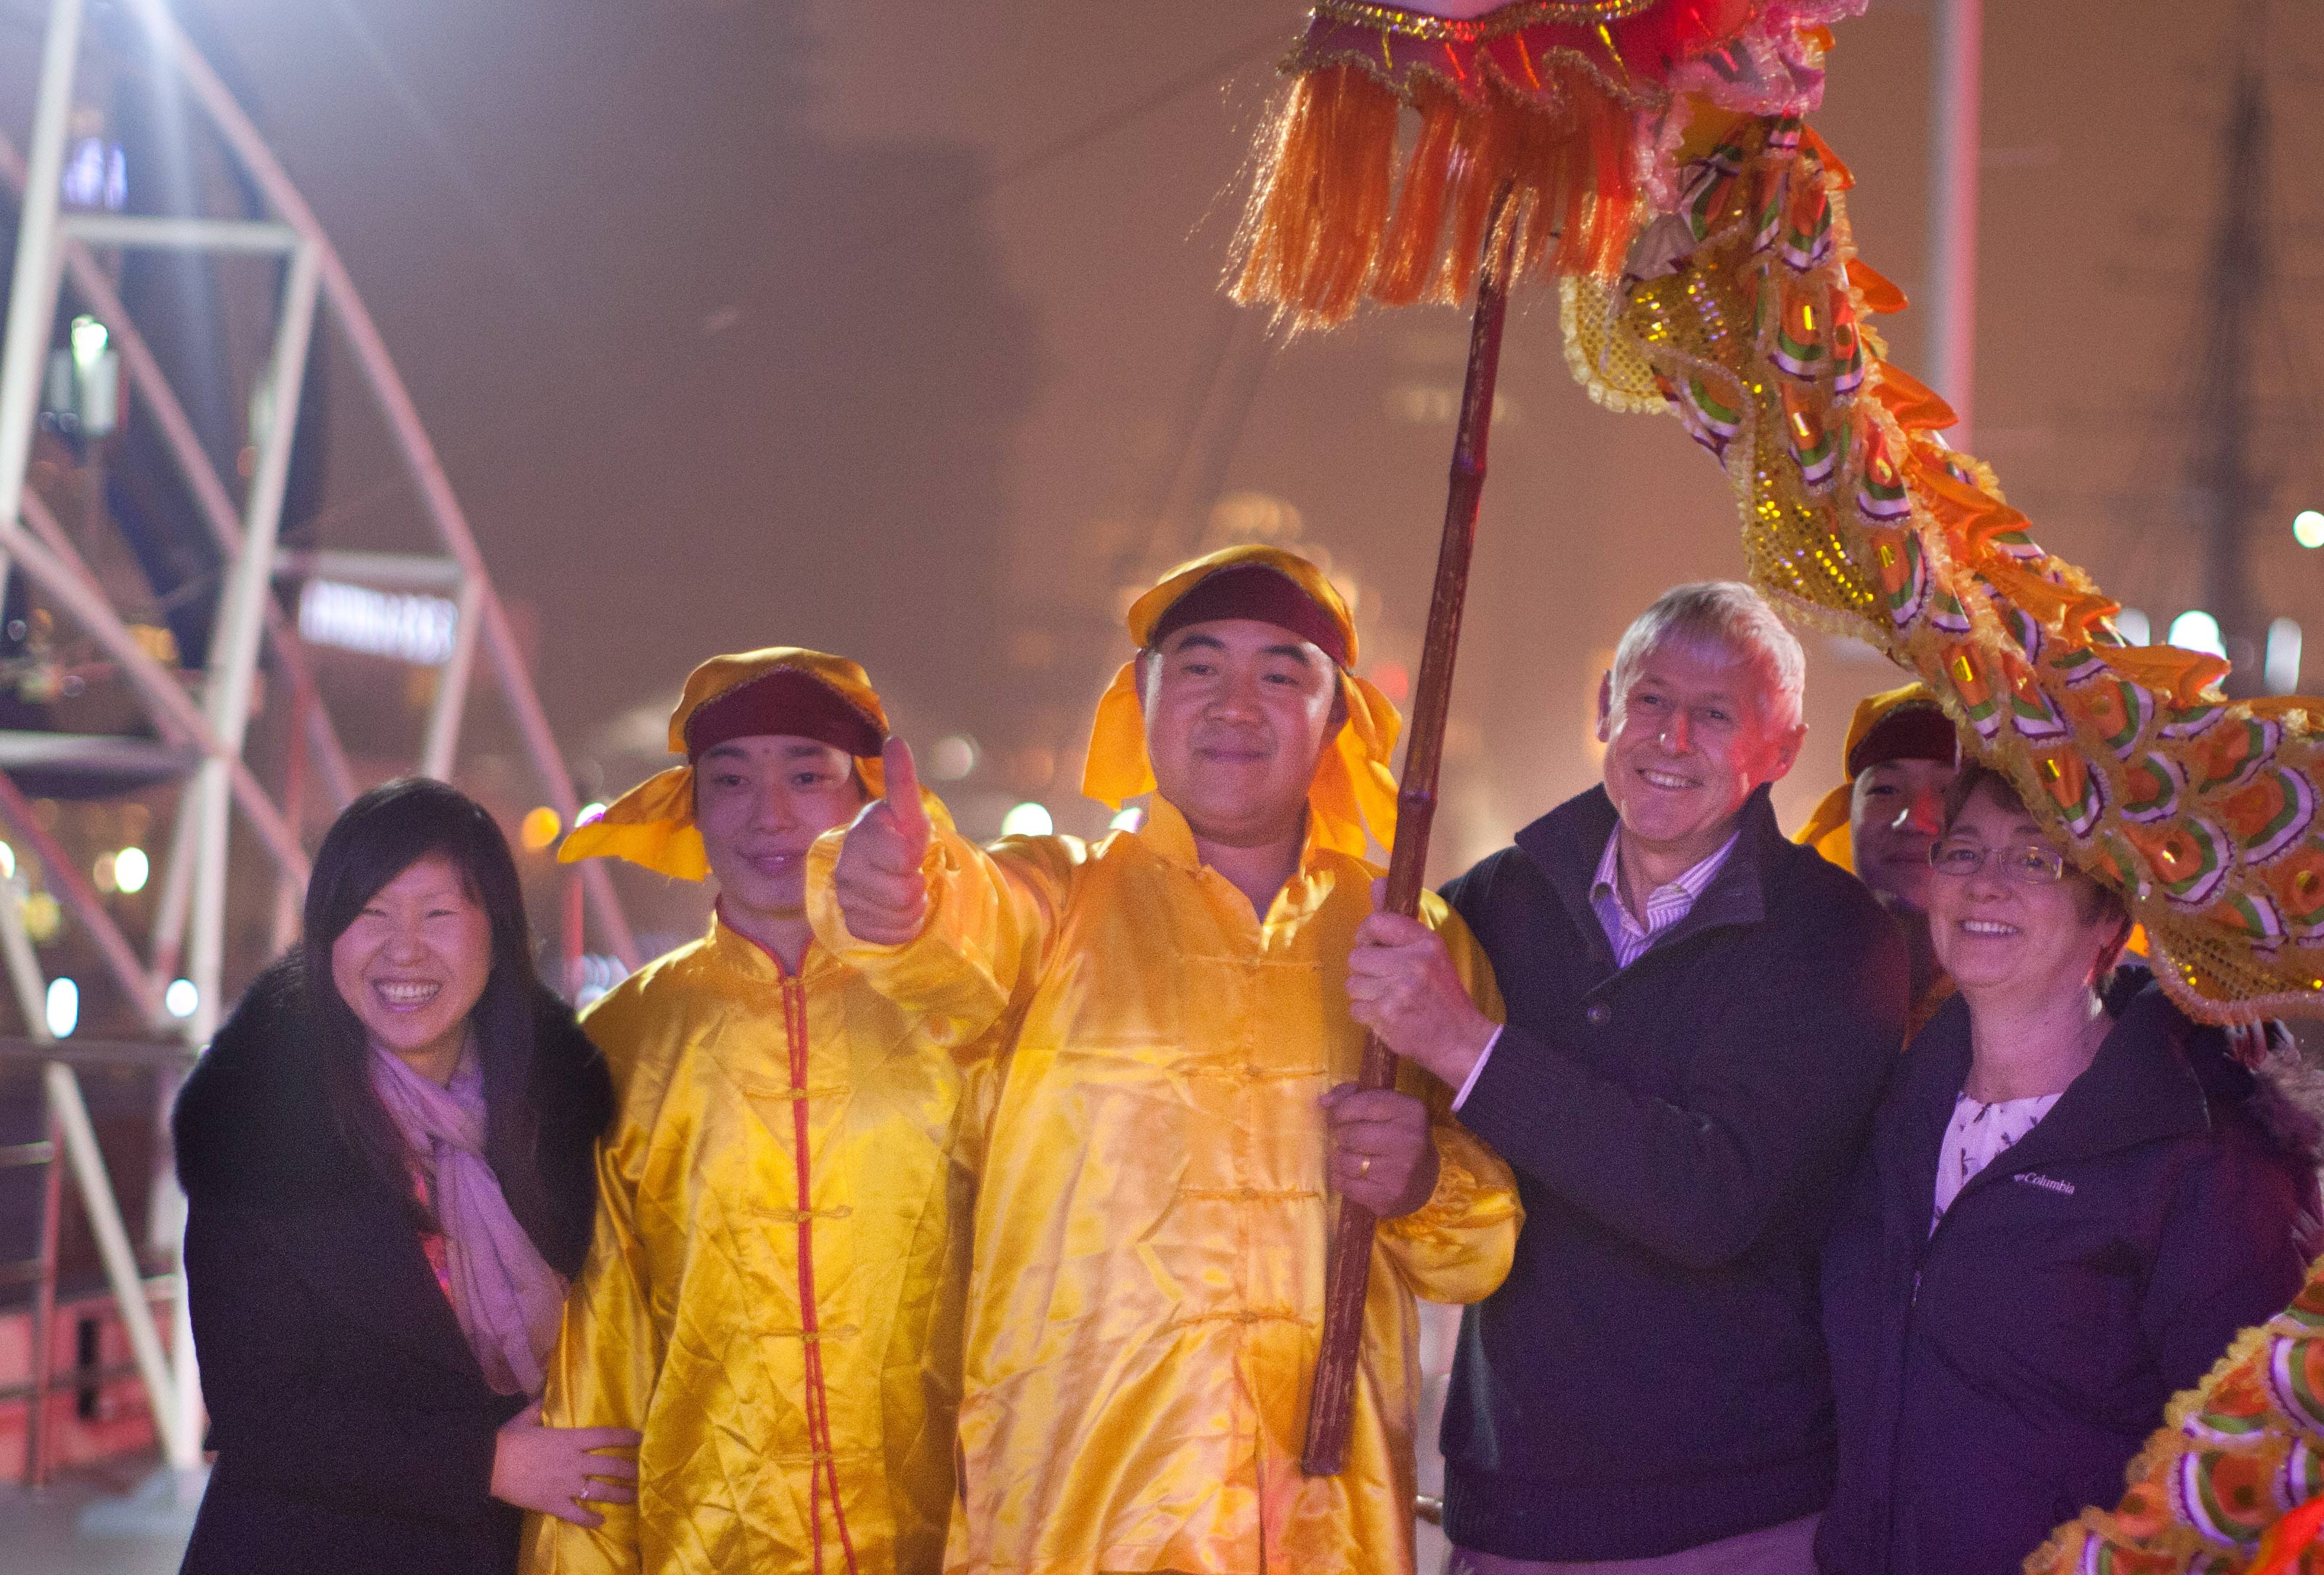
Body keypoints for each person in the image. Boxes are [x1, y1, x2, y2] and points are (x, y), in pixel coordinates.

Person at [820, 544, 1521, 1575]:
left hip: (1323, 1526)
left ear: (1335, 721)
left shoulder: (1407, 938)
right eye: (1198, 668)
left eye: (1282, 675)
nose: (1236, 703)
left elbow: (1481, 1255)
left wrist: (1422, 1180)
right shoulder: (1054, 903)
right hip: (1083, 1521)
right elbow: (951, 928)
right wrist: (898, 889)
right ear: (1138, 702)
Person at [1342, 581, 1907, 1575]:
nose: (1670, 737)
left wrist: (1472, 1050)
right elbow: (1412, 1140)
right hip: (1508, 1504)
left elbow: (1711, 1196)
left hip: (1730, 1516)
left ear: (1778, 751)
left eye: (1715, 715)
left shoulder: (1834, 938)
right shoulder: (1493, 902)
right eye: (1649, 700)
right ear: (1605, 705)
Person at [528, 648, 984, 1575]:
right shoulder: (621, 1041)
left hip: (945, 1539)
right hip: (700, 1542)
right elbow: (599, 1343)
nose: (769, 815)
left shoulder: (961, 1011)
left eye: (805, 775)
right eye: (731, 779)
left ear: (866, 796)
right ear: (691, 806)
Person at [1817, 764, 2324, 1575]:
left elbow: (2263, 1473)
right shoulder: (1897, 1103)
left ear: (2109, 921)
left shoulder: (2201, 1155)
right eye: (1964, 852)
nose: (1986, 885)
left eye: (2036, 860)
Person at [174, 778, 625, 1575]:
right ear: (327, 940)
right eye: (371, 914)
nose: (403, 948)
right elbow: (259, 1411)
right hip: (309, 1550)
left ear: (500, 932)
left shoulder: (562, 1115)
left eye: (439, 913)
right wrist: (487, 1463)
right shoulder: (260, 1129)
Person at [1796, 681, 1957, 1039]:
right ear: (1846, 814)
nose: (1915, 819)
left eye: (1949, 792)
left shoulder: (2023, 1004)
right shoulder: (1775, 969)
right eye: (1885, 790)